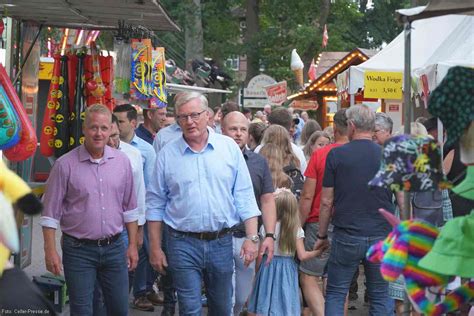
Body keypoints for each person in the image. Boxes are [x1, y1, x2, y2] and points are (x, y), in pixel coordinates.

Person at [146, 92, 261, 315]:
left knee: (221, 307)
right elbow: (155, 204)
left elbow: (245, 195)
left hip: (221, 241)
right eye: (183, 117)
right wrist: (155, 248)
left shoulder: (228, 149)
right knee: (189, 308)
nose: (189, 122)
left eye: (195, 115)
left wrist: (252, 237)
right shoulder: (167, 155)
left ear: (208, 115)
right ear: (177, 120)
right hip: (182, 242)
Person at [40, 104, 139, 315]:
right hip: (79, 251)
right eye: (93, 127)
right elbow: (49, 214)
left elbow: (130, 208)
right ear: (84, 129)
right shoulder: (65, 165)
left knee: (119, 308)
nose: (99, 133)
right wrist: (50, 251)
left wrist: (132, 245)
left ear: (112, 129)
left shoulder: (122, 162)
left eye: (104, 128)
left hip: (115, 248)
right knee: (82, 309)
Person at [314, 104, 401, 316]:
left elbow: (326, 201)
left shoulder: (336, 155)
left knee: (336, 292)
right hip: (381, 234)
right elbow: (401, 197)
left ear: (351, 126)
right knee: (381, 294)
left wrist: (322, 234)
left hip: (347, 234)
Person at [221, 111, 277, 316]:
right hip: (220, 238)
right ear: (222, 130)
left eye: (242, 129)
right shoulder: (213, 158)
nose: (238, 134)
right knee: (225, 295)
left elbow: (267, 199)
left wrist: (269, 235)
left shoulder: (258, 162)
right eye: (233, 129)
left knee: (242, 296)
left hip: (248, 238)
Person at [112, 104, 163, 311]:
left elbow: (150, 187)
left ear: (133, 123)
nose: (116, 124)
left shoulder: (145, 150)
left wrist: (145, 221)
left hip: (139, 215)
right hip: (114, 216)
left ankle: (140, 292)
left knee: (139, 255)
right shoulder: (104, 148)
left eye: (121, 121)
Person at [299, 109, 349, 316]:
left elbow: (307, 196)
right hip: (347, 224)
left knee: (309, 276)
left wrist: (298, 225)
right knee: (339, 282)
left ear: (334, 128)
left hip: (317, 222)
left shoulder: (320, 154)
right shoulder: (360, 154)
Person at [247, 189, 321, 316]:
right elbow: (302, 256)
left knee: (265, 301)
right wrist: (318, 252)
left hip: (267, 266)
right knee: (284, 301)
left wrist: (256, 273)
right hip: (287, 269)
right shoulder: (296, 229)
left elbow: (260, 254)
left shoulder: (266, 227)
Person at [255, 107, 307, 173]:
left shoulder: (259, 150)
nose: (293, 129)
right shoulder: (297, 152)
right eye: (292, 126)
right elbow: (303, 178)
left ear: (270, 125)